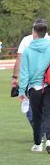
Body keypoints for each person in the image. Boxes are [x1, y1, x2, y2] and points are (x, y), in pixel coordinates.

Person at [17, 19, 50, 152]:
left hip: (34, 88)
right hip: (48, 84)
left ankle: (38, 143)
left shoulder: (28, 51)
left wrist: (21, 91)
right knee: (48, 113)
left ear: (34, 34)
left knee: (37, 116)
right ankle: (49, 139)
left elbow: (24, 73)